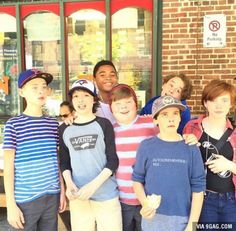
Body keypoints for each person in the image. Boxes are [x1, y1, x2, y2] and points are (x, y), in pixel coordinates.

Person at [3, 69, 66, 230]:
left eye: (44, 86)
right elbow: (9, 167)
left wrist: (62, 190)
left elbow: (56, 160)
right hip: (26, 199)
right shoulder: (14, 125)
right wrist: (11, 205)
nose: (41, 91)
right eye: (34, 87)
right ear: (21, 92)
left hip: (52, 195)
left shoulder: (53, 124)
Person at [133, 95, 206, 231]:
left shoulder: (190, 147)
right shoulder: (146, 146)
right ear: (155, 120)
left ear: (180, 118)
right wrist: (145, 204)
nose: (171, 118)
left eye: (175, 113)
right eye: (164, 114)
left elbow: (198, 187)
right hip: (152, 219)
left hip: (182, 219)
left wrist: (192, 224)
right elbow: (137, 180)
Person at [59, 79, 122, 231]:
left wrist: (92, 187)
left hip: (106, 196)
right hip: (78, 197)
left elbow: (113, 160)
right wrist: (69, 185)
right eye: (76, 96)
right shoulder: (64, 129)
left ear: (94, 99)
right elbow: (65, 162)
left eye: (86, 95)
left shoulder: (104, 124)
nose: (81, 100)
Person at [183, 79, 236, 229]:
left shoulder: (235, 133)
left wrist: (229, 165)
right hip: (202, 199)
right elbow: (182, 163)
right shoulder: (191, 127)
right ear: (205, 103)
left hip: (231, 201)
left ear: (231, 104)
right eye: (213, 100)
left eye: (224, 100)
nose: (219, 106)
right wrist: (185, 141)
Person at [109, 84, 157, 231]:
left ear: (136, 104)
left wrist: (188, 136)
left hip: (148, 198)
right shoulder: (109, 130)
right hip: (121, 199)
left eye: (128, 102)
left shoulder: (151, 123)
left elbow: (171, 135)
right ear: (111, 108)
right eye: (118, 103)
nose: (123, 106)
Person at [93, 60, 118, 124]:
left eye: (112, 75)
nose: (108, 78)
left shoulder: (125, 101)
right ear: (94, 79)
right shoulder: (90, 104)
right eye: (102, 75)